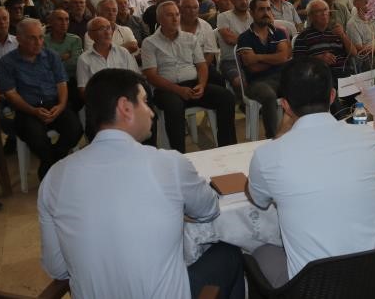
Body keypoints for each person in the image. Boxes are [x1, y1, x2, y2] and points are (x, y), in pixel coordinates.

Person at [39, 68, 244, 299]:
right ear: (125, 108)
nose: (151, 113)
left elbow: (57, 268)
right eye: (145, 102)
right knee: (229, 252)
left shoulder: (54, 177)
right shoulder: (167, 163)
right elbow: (209, 210)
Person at [246, 57, 375, 287]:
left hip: (318, 288)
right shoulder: (367, 137)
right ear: (332, 96)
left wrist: (282, 131)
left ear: (284, 105)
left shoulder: (269, 155)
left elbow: (257, 199)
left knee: (259, 252)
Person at [142, 1, 237, 150]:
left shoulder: (189, 38)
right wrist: (177, 90)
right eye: (169, 15)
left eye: (177, 15)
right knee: (174, 107)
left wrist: (201, 85)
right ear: (159, 19)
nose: (175, 19)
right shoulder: (149, 43)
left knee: (227, 98)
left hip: (193, 84)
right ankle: (179, 154)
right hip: (166, 90)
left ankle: (227, 147)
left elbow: (201, 65)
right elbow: (151, 76)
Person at [0, 19, 83, 180]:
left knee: (75, 130)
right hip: (27, 108)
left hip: (54, 104)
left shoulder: (51, 56)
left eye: (41, 37)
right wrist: (33, 111)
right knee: (35, 138)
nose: (38, 42)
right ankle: (56, 168)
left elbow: (61, 83)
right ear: (19, 39)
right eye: (32, 38)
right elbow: (10, 94)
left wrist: (61, 105)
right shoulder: (7, 62)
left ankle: (49, 165)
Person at [236, 0, 291, 138]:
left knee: (299, 87)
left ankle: (294, 133)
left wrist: (258, 57)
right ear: (252, 12)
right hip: (256, 82)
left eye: (268, 9)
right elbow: (252, 68)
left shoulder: (278, 33)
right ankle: (273, 138)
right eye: (261, 9)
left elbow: (284, 57)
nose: (266, 12)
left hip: (281, 77)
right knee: (269, 96)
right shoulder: (244, 37)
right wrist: (276, 59)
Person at [217, 0, 253, 90]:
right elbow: (230, 40)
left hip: (252, 58)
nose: (244, 1)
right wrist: (253, 40)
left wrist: (240, 38)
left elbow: (262, 36)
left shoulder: (253, 15)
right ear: (233, 0)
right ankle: (245, 104)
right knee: (240, 82)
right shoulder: (223, 17)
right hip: (230, 60)